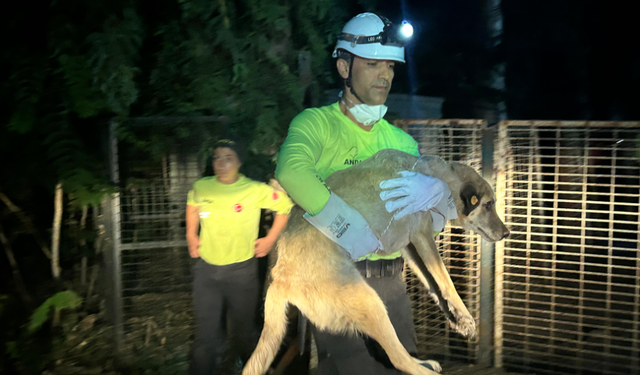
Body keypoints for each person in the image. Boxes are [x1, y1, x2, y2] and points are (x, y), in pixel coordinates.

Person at [275, 12, 457, 375]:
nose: (385, 74)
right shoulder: (316, 123)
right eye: (372, 63)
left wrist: (438, 197)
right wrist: (346, 226)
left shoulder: (401, 140)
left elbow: (429, 225)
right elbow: (291, 171)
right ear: (344, 67)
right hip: (336, 280)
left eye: (389, 65)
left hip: (393, 285)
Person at [186, 138, 294, 375]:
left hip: (241, 274)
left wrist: (269, 239)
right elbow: (193, 204)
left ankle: (256, 370)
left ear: (239, 162)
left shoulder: (254, 190)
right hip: (206, 272)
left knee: (245, 333)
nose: (221, 163)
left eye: (228, 158)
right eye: (217, 158)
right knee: (206, 336)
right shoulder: (203, 186)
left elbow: (284, 208)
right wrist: (191, 234)